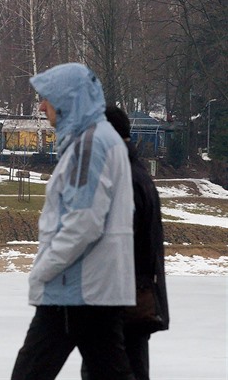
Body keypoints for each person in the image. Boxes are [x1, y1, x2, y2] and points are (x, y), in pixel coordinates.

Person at [10, 63, 136, 380]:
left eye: (46, 98)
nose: (41, 106)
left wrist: (45, 268)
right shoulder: (102, 140)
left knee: (29, 373)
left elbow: (84, 221)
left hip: (76, 289)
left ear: (67, 100)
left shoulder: (90, 145)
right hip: (93, 288)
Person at [80, 106, 170, 380]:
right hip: (135, 300)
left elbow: (116, 246)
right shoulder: (136, 174)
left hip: (121, 306)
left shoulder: (125, 180)